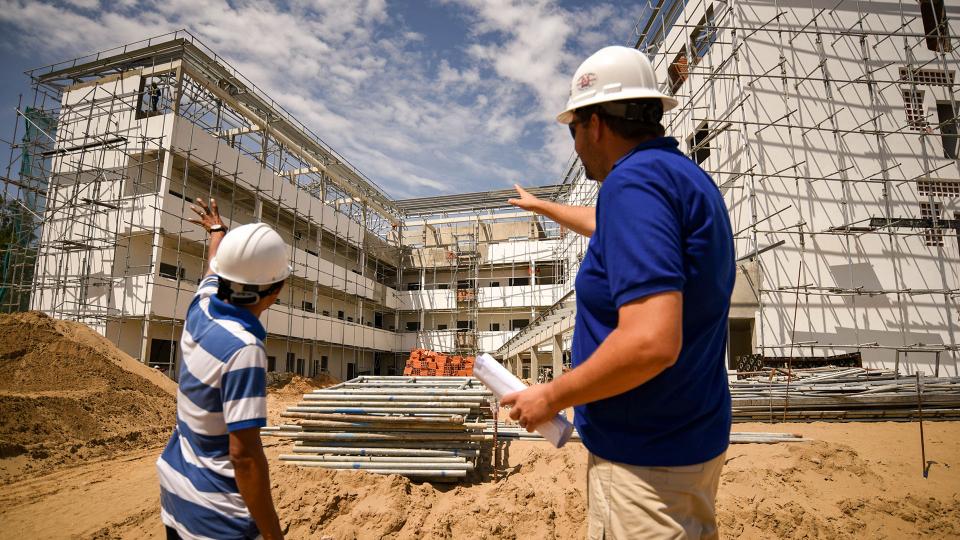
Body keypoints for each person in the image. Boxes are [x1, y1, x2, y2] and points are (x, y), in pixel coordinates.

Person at [502, 45, 735, 539]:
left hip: (643, 468)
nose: (575, 145)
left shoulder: (633, 184)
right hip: (686, 441)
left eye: (573, 130)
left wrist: (551, 395)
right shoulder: (680, 178)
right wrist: (543, 207)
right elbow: (607, 223)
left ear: (597, 124)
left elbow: (650, 341)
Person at [156, 198, 288, 540]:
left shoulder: (201, 306)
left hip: (177, 498)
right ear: (276, 291)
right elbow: (244, 456)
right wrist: (273, 535)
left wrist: (217, 231)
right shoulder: (243, 349)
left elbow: (213, 271)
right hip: (219, 520)